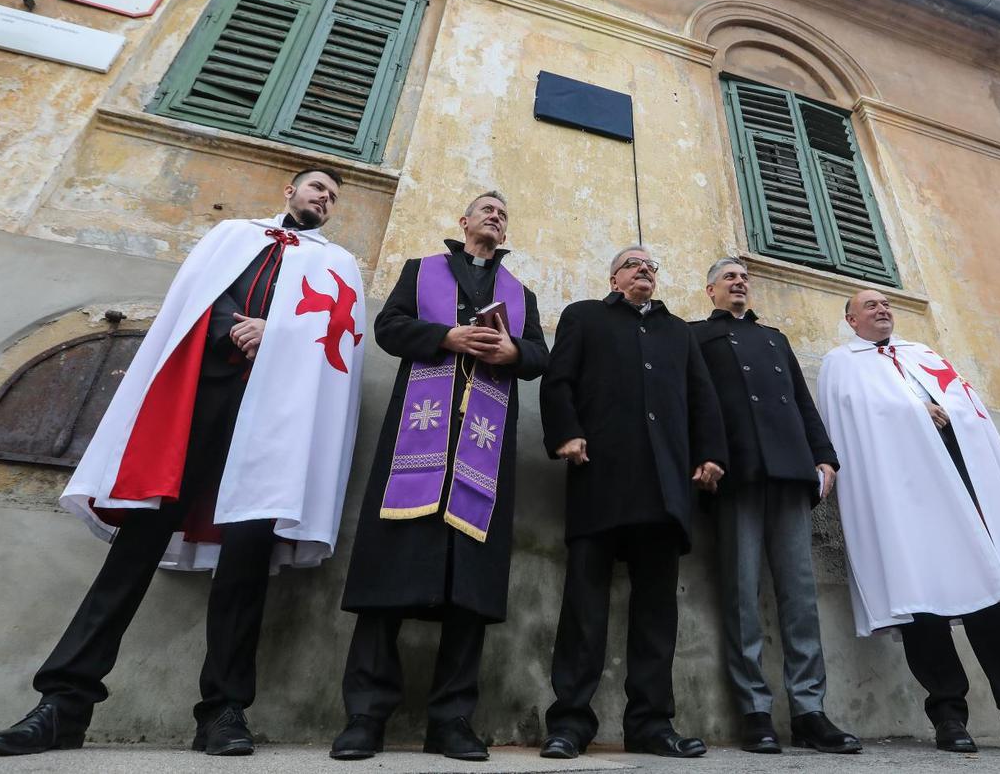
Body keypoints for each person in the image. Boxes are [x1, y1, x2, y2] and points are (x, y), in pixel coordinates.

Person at [0, 169, 367, 757]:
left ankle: (224, 712)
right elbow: (195, 298)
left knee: (246, 560)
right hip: (196, 402)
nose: (324, 199)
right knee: (136, 547)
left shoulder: (339, 264)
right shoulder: (233, 235)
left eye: (333, 197)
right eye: (316, 188)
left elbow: (340, 334)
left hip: (274, 425)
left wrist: (277, 331)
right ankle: (64, 703)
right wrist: (234, 330)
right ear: (290, 190)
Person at [817, 288, 1000, 757]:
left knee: (990, 600)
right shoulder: (842, 364)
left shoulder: (922, 354)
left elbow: (965, 401)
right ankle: (949, 717)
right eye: (870, 305)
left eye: (886, 303)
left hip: (961, 486)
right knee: (923, 607)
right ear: (851, 320)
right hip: (903, 498)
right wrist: (914, 411)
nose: (882, 309)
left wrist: (946, 412)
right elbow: (852, 423)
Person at [330, 191, 548, 762]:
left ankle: (451, 720)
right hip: (415, 441)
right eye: (486, 209)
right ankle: (366, 715)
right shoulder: (420, 271)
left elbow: (540, 355)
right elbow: (389, 328)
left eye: (504, 211)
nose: (495, 216)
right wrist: (446, 337)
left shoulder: (520, 293)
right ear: (464, 222)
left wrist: (512, 350)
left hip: (483, 454)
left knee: (469, 588)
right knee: (387, 578)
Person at [537, 245, 726, 761]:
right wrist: (567, 433)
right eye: (633, 264)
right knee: (584, 605)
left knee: (657, 613)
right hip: (599, 476)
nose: (644, 270)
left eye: (651, 266)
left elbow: (702, 398)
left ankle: (650, 724)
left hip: (665, 487)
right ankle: (570, 723)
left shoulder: (678, 332)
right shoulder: (583, 316)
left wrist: (711, 455)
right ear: (614, 276)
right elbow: (558, 382)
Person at [690, 257, 860, 754]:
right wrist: (704, 458)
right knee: (741, 594)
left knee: (799, 597)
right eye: (729, 277)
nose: (740, 282)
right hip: (735, 473)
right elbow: (694, 403)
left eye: (745, 277)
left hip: (789, 472)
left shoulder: (775, 339)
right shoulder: (696, 336)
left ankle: (810, 712)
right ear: (710, 290)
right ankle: (754, 711)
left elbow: (802, 402)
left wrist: (825, 457)